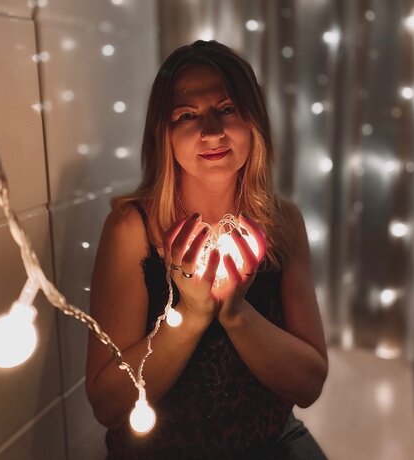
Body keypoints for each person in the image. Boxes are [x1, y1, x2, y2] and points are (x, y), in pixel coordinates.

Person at [85, 40, 329, 459]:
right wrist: (192, 314)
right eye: (187, 115)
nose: (212, 131)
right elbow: (108, 406)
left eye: (227, 108)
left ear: (253, 120)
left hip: (272, 442)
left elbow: (309, 385)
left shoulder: (282, 223)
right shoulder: (132, 229)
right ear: (163, 133)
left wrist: (237, 315)